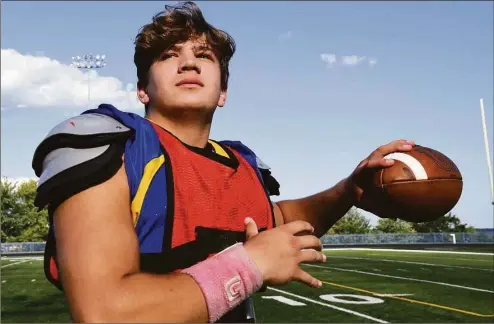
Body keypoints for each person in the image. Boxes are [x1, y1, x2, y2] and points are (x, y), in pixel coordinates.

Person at [32, 1, 415, 323]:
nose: (188, 64)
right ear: (141, 89)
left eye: (204, 56)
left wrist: (349, 190)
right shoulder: (110, 143)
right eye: (169, 56)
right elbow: (104, 312)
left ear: (224, 92)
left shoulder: (238, 164)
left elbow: (278, 221)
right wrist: (249, 266)